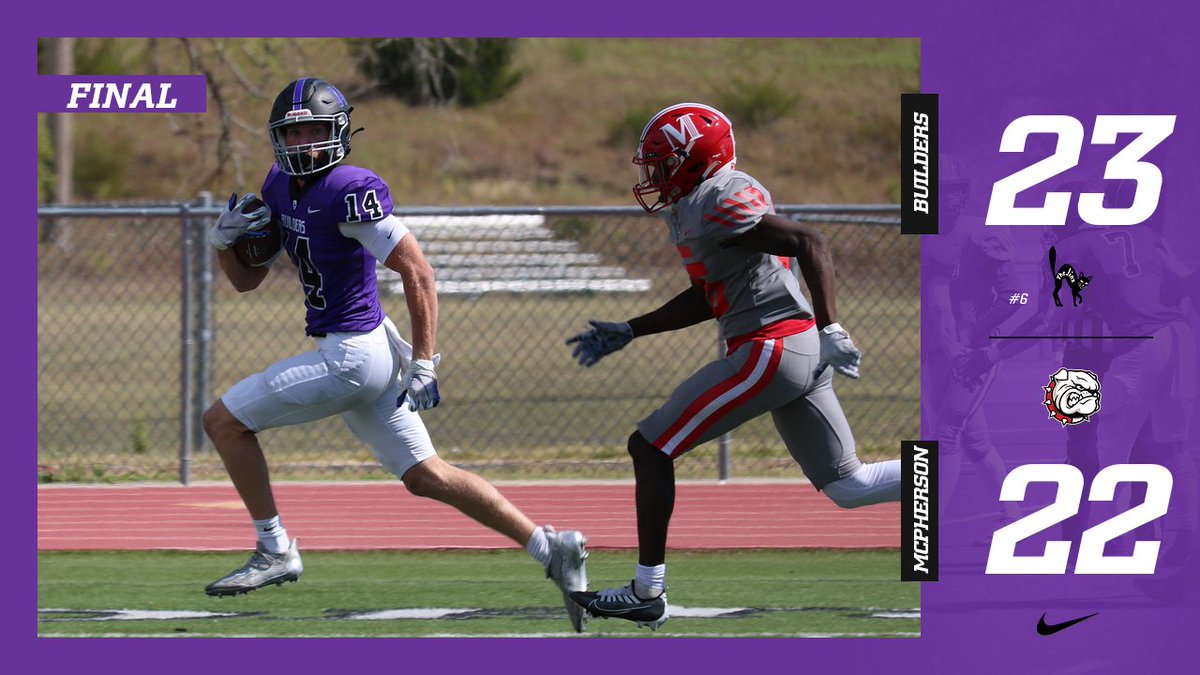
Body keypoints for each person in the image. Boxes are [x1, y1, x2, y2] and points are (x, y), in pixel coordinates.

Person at [201, 77, 590, 632]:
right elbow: (246, 280)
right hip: (360, 354)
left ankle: (275, 548)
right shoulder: (279, 186)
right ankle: (550, 549)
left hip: (353, 356)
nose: (302, 143)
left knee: (223, 422)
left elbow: (418, 270)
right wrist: (223, 243)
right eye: (292, 132)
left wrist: (425, 358)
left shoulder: (349, 189)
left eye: (313, 130)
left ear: (338, 131)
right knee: (426, 474)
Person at [564, 103, 901, 631]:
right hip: (789, 347)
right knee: (849, 485)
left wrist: (834, 327)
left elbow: (809, 241)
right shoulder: (701, 201)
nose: (655, 176)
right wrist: (631, 329)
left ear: (697, 159)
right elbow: (711, 295)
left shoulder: (718, 197)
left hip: (771, 348)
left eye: (664, 163)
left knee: (650, 447)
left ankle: (647, 593)